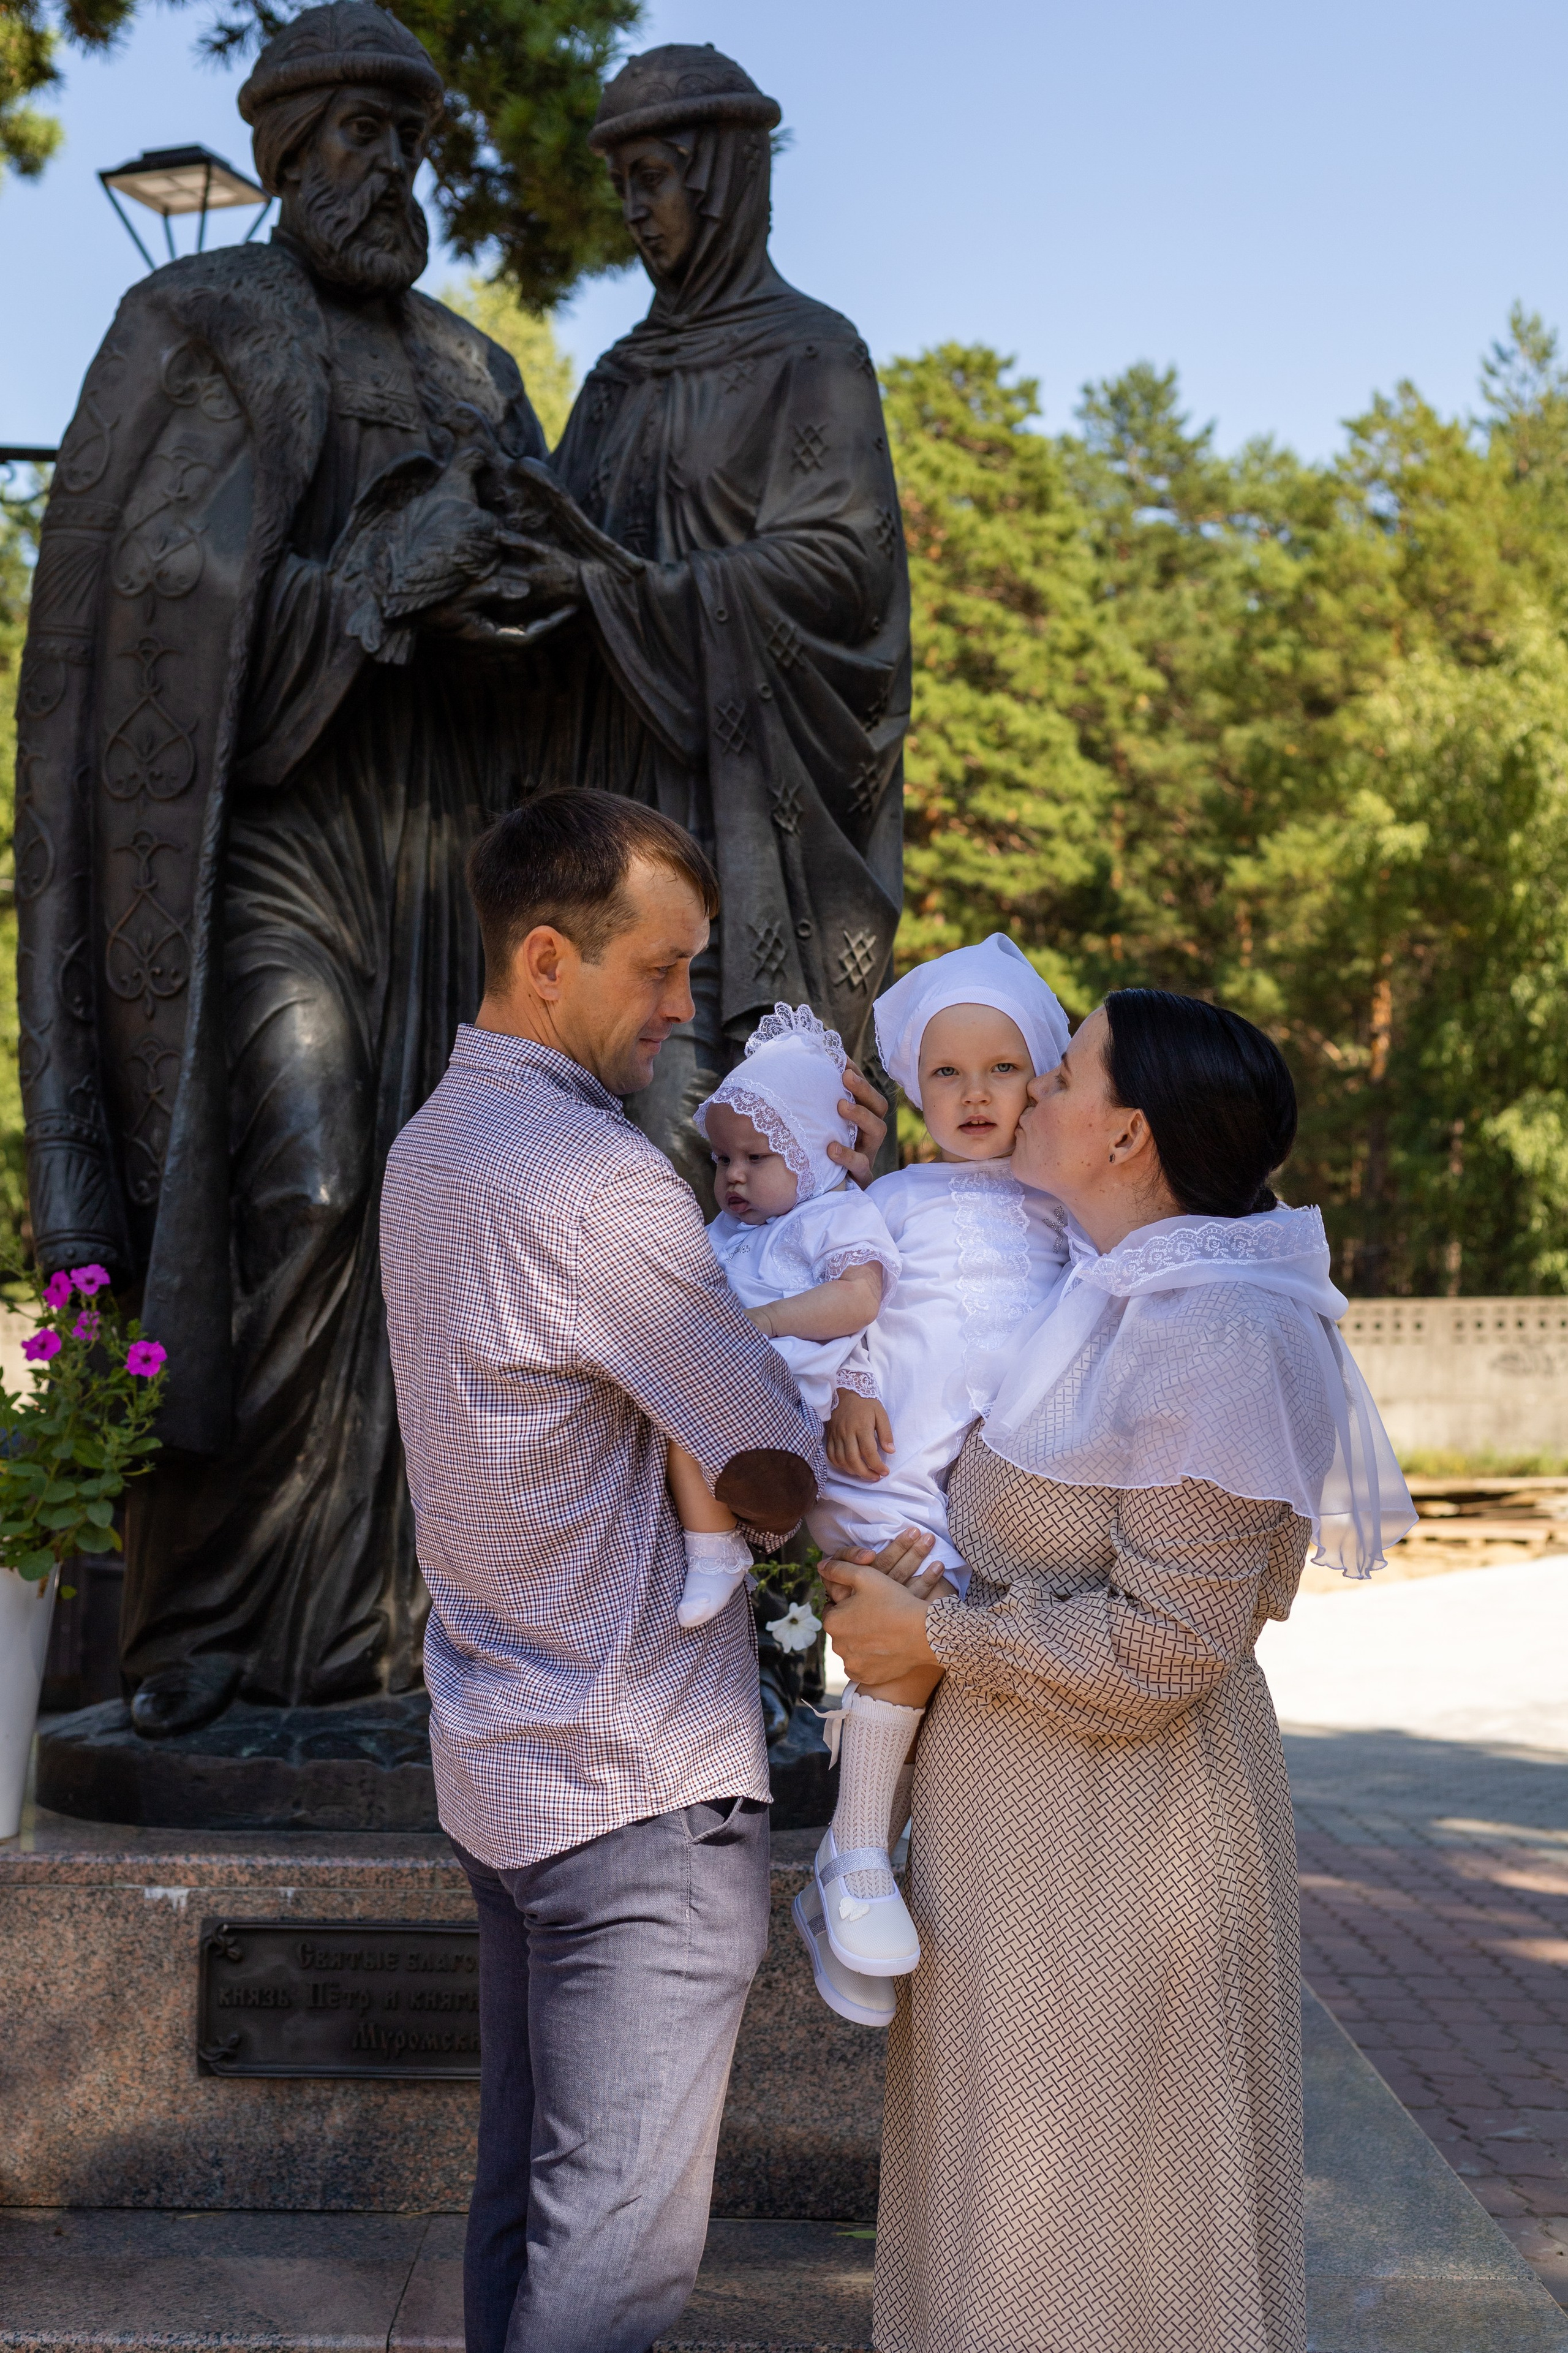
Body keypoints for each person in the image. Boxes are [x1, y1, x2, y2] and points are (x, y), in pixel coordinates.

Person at [18, 0, 561, 1739]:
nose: (389, 167)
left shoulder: (479, 366)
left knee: (447, 1216)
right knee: (311, 1182)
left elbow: (549, 603)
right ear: (279, 152)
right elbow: (156, 627)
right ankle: (207, 1625)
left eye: (410, 137)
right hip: (264, 848)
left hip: (439, 854)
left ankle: (408, 1634)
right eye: (354, 134)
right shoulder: (195, 323)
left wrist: (514, 597)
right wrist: (369, 585)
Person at [820, 988, 1415, 2353]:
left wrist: (939, 1640)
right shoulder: (1104, 1294)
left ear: (1125, 1133)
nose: (1024, 1096)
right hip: (1015, 1844)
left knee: (1094, 2239)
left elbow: (1166, 1646)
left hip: (1118, 1854)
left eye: (1059, 1071)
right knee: (999, 2226)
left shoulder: (1218, 1334)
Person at [379, 790, 886, 2353]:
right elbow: (761, 1477)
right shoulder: (599, 1184)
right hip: (638, 1789)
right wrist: (855, 1268)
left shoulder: (433, 1142)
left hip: (505, 1762)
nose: (683, 1010)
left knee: (527, 2209)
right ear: (547, 957)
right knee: (610, 2266)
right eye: (659, 972)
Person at [506, 43, 910, 1187]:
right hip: (608, 823)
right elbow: (565, 555)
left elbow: (846, 568)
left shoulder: (813, 354)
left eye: (655, 177)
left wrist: (628, 590)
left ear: (724, 177)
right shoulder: (619, 380)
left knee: (707, 1150)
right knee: (591, 1162)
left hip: (742, 827)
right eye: (621, 184)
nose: (635, 209)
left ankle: (722, 1369)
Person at [799, 937, 1072, 2011]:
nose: (972, 1093)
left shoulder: (1062, 1212)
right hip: (890, 1467)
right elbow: (841, 1290)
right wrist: (852, 1385)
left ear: (1041, 1080)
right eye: (946, 1072)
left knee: (957, 1652)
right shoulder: (893, 1202)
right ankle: (856, 1854)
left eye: (1000, 1069)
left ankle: (856, 1874)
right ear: (917, 1085)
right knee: (908, 1613)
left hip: (995, 1484)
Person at [666, 1002, 902, 1630]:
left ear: (810, 1153)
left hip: (785, 1397)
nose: (733, 1176)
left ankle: (715, 1550)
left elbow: (860, 1297)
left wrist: (766, 1321)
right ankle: (713, 1541)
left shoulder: (835, 1216)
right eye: (720, 1160)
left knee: (686, 1409)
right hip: (738, 1386)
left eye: (755, 1158)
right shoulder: (728, 1229)